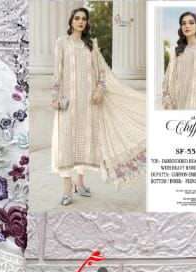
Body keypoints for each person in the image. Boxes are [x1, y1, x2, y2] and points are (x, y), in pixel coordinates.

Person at [51, 7, 146, 204]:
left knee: (84, 143)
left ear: (87, 23)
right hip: (68, 103)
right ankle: (67, 190)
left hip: (89, 103)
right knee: (66, 144)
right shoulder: (62, 43)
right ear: (71, 21)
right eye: (77, 18)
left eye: (84, 19)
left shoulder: (91, 45)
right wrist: (55, 97)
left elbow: (102, 72)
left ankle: (80, 183)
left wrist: (100, 89)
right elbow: (57, 73)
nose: (80, 21)